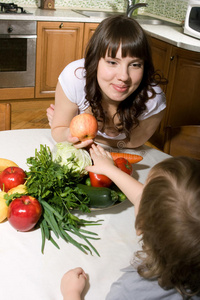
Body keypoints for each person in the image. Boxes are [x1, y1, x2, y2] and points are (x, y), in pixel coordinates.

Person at [60, 144, 200, 300]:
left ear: (140, 226)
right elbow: (148, 199)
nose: (140, 194)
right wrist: (109, 169)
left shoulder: (131, 291)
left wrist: (71, 293)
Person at [47, 15, 167, 149]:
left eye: (135, 65)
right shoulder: (75, 78)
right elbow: (58, 132)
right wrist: (66, 132)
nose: (124, 76)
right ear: (95, 60)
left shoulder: (153, 99)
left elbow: (134, 143)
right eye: (112, 62)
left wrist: (82, 135)